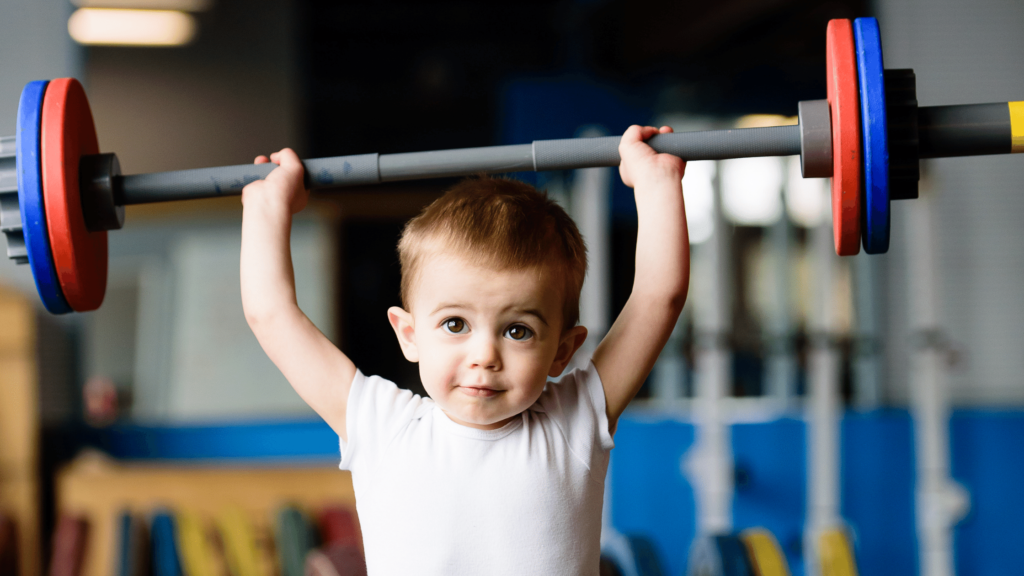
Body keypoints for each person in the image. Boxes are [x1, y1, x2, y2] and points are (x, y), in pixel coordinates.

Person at [239, 125, 689, 575]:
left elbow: (657, 297)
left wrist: (657, 183)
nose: (485, 355)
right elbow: (272, 315)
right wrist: (267, 208)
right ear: (409, 334)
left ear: (562, 350)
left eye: (517, 331)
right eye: (456, 324)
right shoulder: (382, 425)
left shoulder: (574, 421)